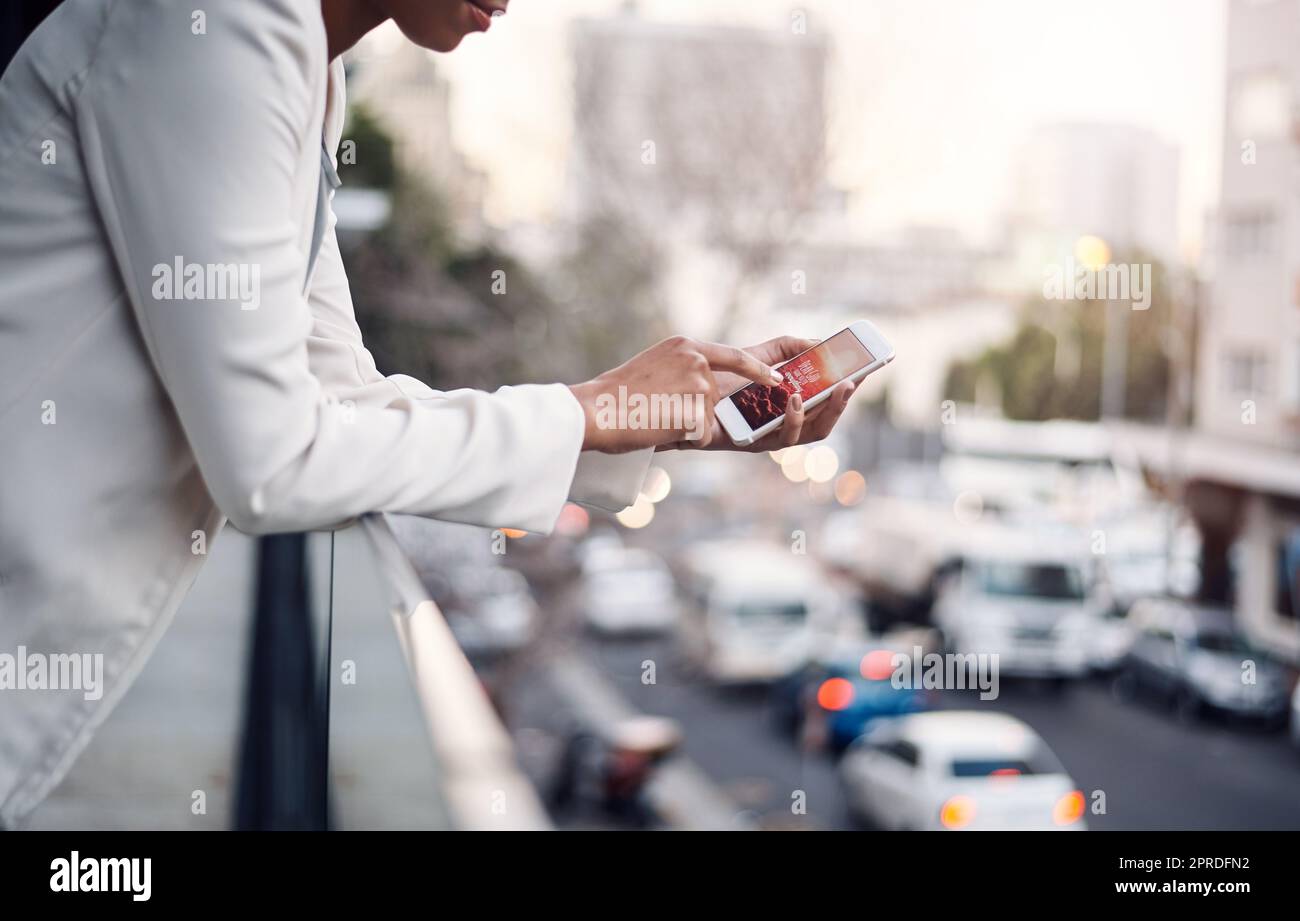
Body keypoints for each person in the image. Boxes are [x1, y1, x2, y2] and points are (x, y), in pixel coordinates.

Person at [0, 0, 857, 827]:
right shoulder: (222, 27)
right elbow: (272, 464)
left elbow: (343, 397)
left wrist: (660, 417)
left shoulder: (300, 61)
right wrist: (583, 410)